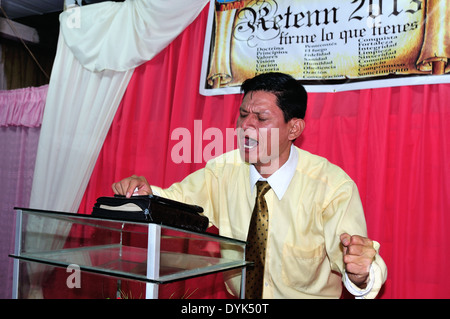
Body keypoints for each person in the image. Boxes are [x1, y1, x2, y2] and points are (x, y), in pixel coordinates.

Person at [112, 72, 387, 299]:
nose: (246, 126)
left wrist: (362, 273)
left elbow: (359, 258)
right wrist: (143, 193)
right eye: (243, 115)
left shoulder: (331, 186)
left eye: (261, 118)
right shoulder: (222, 171)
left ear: (294, 129)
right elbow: (175, 202)